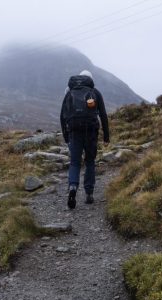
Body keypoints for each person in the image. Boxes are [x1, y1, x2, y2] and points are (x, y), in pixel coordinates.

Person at [60, 70, 110, 209]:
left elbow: (63, 115)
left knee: (75, 163)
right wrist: (106, 136)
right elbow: (103, 115)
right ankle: (89, 193)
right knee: (89, 161)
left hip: (74, 132)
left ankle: (73, 188)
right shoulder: (95, 92)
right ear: (91, 80)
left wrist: (65, 136)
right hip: (91, 132)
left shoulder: (69, 92)